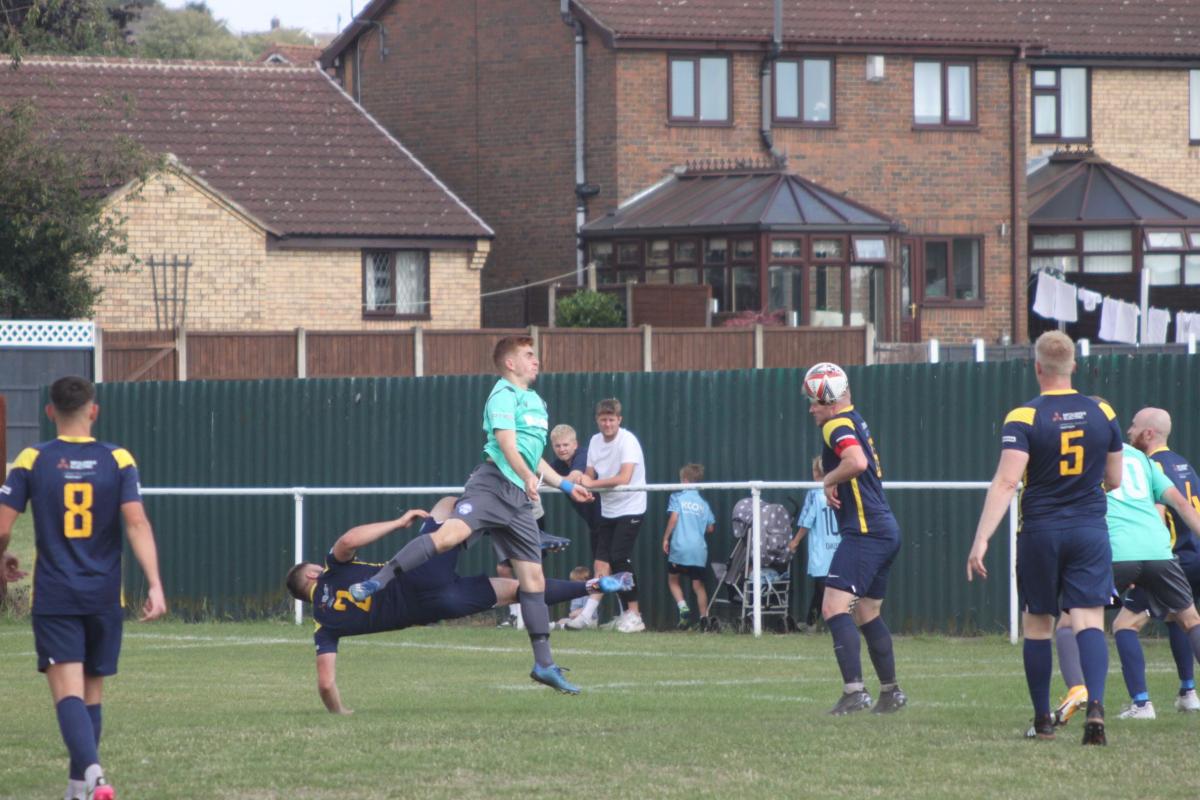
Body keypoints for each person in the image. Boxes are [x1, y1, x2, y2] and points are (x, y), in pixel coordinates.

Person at [347, 336, 593, 693]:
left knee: (534, 581)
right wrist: (527, 476)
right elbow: (507, 444)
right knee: (450, 536)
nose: (536, 360)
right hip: (492, 485)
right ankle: (377, 581)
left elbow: (533, 455)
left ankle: (544, 665)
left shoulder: (536, 402)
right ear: (510, 363)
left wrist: (566, 485)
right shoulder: (502, 395)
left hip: (517, 500)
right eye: (528, 355)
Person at [286, 498, 632, 711]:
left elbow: (326, 684)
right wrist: (399, 522)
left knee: (518, 590)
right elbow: (348, 540)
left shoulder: (324, 627)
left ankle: (591, 586)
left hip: (436, 606)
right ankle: (523, 535)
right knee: (450, 505)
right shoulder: (331, 570)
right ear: (313, 575)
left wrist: (339, 712)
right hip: (418, 572)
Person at [0, 376, 167, 800]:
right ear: (94, 411)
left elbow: (2, 527)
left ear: (49, 412)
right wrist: (155, 585)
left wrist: (2, 556)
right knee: (91, 694)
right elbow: (137, 523)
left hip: (56, 594)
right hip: (104, 594)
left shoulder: (33, 459)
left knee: (67, 694)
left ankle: (93, 774)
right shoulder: (118, 459)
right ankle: (78, 789)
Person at [967, 332, 1123, 745]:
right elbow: (1115, 479)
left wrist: (981, 538)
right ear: (1074, 366)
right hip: (1089, 530)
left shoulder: (1024, 417)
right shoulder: (1103, 411)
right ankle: (1096, 709)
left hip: (1041, 531)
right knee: (1089, 621)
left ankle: (1042, 722)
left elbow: (1006, 482)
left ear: (1037, 367)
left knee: (1038, 624)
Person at [1053, 424, 1200, 723]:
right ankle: (1179, 693)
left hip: (1116, 550)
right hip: (1158, 550)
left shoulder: (1082, 455)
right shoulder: (1141, 457)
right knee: (1191, 621)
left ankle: (1080, 691)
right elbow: (1181, 504)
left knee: (1069, 623)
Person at [803, 362, 907, 716]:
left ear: (830, 401)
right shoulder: (854, 419)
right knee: (866, 612)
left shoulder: (834, 424)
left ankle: (854, 692)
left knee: (833, 608)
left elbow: (857, 462)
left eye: (815, 401)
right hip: (884, 528)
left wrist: (827, 479)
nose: (811, 409)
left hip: (865, 531)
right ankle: (891, 693)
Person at [1131, 406, 1200, 712]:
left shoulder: (1151, 466)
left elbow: (1158, 515)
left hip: (1172, 559)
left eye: (1134, 426)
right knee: (1180, 619)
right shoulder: (1183, 464)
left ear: (1148, 433)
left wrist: (1146, 562)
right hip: (1195, 554)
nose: (1129, 431)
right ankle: (1187, 692)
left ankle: (1140, 703)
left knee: (1125, 624)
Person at [574, 398, 648, 633]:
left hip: (631, 507)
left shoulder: (628, 440)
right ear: (597, 420)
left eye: (611, 419)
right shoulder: (594, 441)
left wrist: (591, 484)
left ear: (619, 420)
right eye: (603, 419)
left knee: (619, 559)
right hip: (608, 509)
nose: (607, 424)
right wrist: (585, 486)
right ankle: (590, 615)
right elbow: (588, 474)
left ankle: (635, 614)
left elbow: (624, 478)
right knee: (601, 563)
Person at [788, 456, 842, 632]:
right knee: (824, 588)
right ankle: (811, 623)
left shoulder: (814, 493)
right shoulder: (839, 490)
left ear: (816, 472)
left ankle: (835, 624)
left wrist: (795, 541)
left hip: (822, 550)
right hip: (839, 546)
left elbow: (807, 521)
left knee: (823, 588)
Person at [661, 463, 715, 630]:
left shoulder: (677, 497)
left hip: (680, 547)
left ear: (684, 480)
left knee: (673, 580)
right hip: (698, 551)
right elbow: (711, 528)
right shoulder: (704, 504)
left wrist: (666, 538)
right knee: (698, 586)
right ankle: (704, 619)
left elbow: (674, 518)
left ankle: (683, 607)